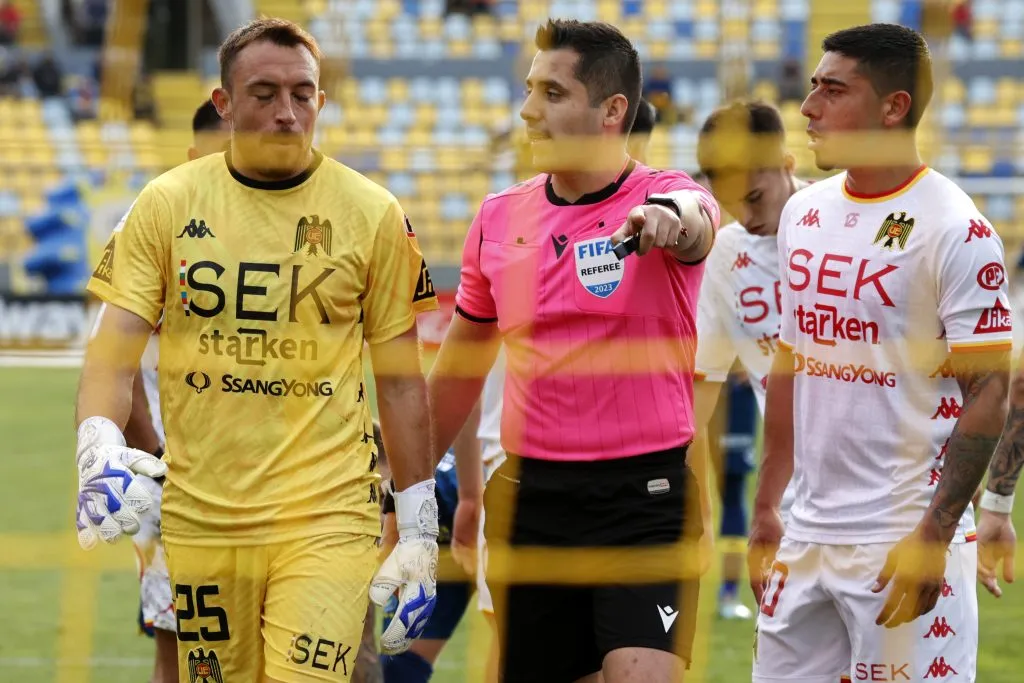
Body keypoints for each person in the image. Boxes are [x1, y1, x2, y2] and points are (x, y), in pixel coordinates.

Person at [74, 17, 440, 681]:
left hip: (328, 514)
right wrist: (96, 444)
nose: (287, 112)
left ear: (321, 100)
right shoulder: (165, 205)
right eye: (265, 93)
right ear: (224, 103)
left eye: (303, 94)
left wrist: (418, 525)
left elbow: (403, 381)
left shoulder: (373, 212)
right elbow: (112, 352)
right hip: (204, 520)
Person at [427, 18, 720, 683]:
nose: (528, 111)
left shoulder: (663, 196)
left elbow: (694, 222)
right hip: (532, 502)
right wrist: (404, 495)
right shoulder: (499, 218)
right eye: (530, 90)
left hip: (645, 500)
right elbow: (455, 375)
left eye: (552, 94)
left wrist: (668, 223)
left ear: (612, 110)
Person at [748, 23, 1011, 683]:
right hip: (805, 534)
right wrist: (765, 506)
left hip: (903, 533)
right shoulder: (802, 213)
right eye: (811, 88)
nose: (808, 109)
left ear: (894, 107)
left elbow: (991, 393)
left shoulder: (957, 228)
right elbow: (791, 358)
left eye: (833, 91)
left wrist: (937, 530)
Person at [121, 98, 230, 683]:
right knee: (185, 646)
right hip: (178, 479)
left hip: (272, 476)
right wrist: (161, 462)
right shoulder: (152, 222)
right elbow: (115, 364)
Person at [691, 100, 811, 620]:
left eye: (756, 197)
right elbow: (703, 379)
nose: (749, 216)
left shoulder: (846, 223)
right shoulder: (724, 254)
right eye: (734, 203)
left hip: (887, 495)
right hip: (788, 503)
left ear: (787, 162)